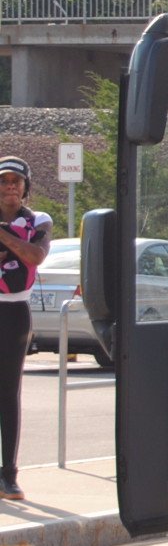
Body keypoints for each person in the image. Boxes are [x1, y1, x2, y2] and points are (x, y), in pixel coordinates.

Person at [0, 157, 51, 502]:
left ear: (26, 186)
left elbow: (34, 256)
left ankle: (9, 475)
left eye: (16, 182)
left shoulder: (38, 220)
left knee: (8, 392)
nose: (10, 187)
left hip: (14, 311)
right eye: (4, 181)